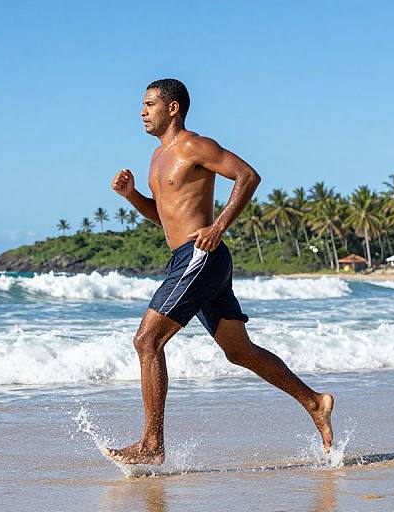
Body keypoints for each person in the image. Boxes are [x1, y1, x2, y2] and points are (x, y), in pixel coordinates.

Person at [107, 78, 334, 465]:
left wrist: (218, 226)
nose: (142, 112)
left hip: (201, 255)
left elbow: (248, 176)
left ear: (172, 108)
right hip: (187, 258)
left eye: (149, 104)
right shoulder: (156, 159)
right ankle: (315, 402)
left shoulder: (195, 146)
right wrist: (132, 197)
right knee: (238, 351)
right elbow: (162, 217)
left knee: (147, 341)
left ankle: (151, 445)